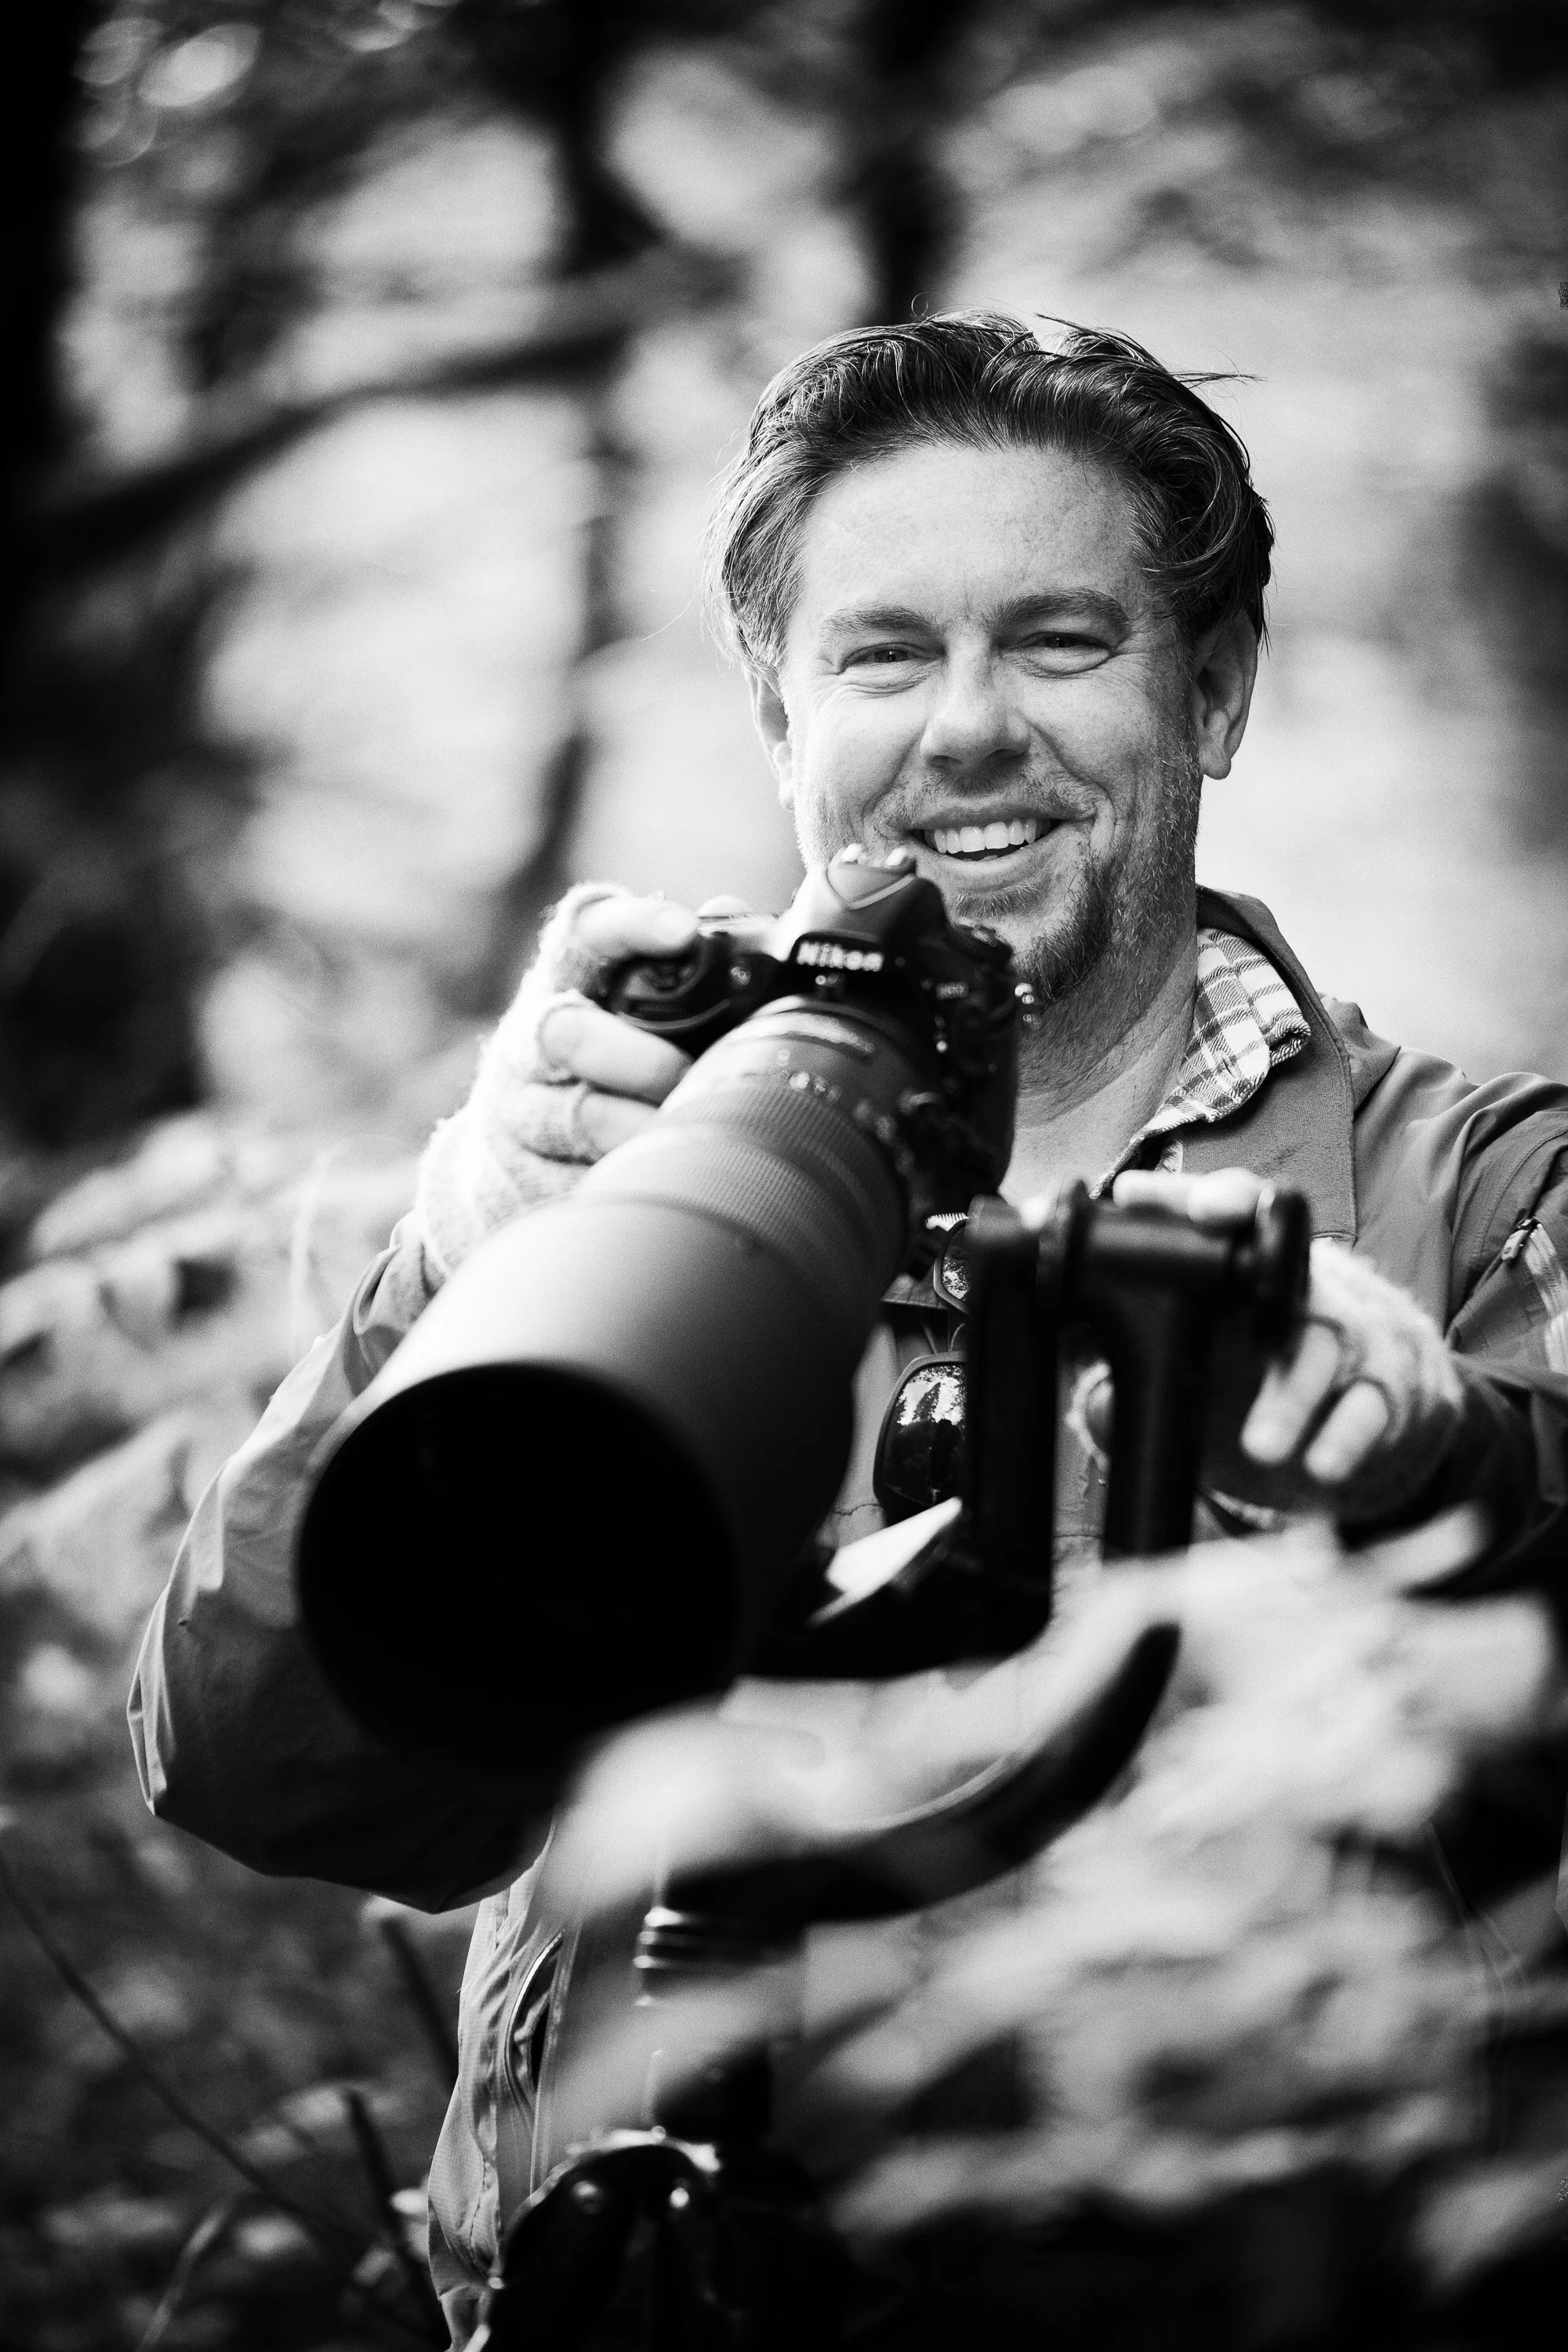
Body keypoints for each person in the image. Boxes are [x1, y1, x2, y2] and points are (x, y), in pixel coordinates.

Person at [130, 316, 1568, 2345]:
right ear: (778, 703)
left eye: (1060, 642)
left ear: (1218, 687)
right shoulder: (614, 1164)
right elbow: (281, 1778)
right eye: (883, 655)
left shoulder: (1487, 1189)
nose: (966, 731)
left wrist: (1433, 1461)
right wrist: (473, 1270)